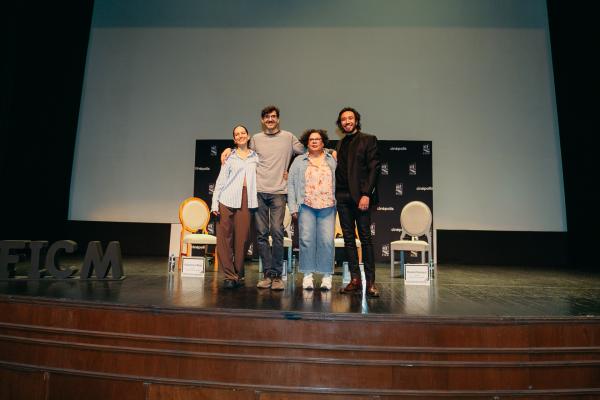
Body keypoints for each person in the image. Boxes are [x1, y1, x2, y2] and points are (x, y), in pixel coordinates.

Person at [222, 106, 304, 290]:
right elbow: (242, 150)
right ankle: (267, 275)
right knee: (261, 234)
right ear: (262, 120)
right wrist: (228, 149)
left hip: (279, 192)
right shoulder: (256, 139)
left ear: (278, 119)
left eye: (273, 116)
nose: (270, 119)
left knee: (277, 232)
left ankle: (277, 276)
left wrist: (291, 170)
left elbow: (307, 151)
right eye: (267, 117)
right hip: (258, 192)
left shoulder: (288, 137)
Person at [335, 107, 381, 297]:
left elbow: (374, 168)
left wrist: (366, 194)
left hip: (360, 197)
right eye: (343, 119)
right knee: (348, 240)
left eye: (350, 118)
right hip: (342, 197)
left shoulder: (368, 139)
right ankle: (355, 280)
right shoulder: (340, 144)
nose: (347, 121)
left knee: (365, 239)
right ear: (340, 123)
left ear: (356, 120)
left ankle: (370, 283)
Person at [287, 129, 336, 291]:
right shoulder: (299, 161)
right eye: (311, 139)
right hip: (306, 205)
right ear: (307, 143)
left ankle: (326, 276)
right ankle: (307, 275)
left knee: (326, 241)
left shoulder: (331, 159)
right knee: (306, 240)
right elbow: (291, 184)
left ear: (323, 142)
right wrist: (293, 207)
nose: (314, 141)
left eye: (318, 139)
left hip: (328, 206)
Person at [211, 125, 258, 289]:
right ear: (234, 139)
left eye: (243, 133)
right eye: (237, 134)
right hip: (226, 199)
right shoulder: (229, 157)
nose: (240, 136)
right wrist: (214, 203)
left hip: (247, 199)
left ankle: (238, 272)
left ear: (248, 136)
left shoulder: (256, 157)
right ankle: (229, 276)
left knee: (243, 239)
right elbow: (220, 181)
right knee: (224, 239)